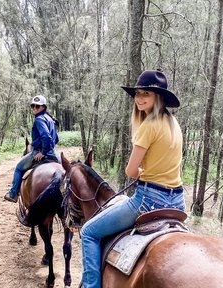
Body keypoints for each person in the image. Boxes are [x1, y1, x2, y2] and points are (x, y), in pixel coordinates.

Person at [79, 69, 186, 288]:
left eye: (146, 93)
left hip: (148, 201)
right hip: (178, 202)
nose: (139, 98)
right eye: (137, 93)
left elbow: (130, 171)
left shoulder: (148, 126)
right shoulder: (174, 124)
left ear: (158, 97)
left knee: (88, 232)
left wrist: (142, 174)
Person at [4, 95, 60, 203]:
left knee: (19, 168)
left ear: (44, 107)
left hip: (40, 152)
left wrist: (43, 152)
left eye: (37, 106)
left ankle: (13, 193)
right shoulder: (51, 120)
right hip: (53, 154)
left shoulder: (39, 119)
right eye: (33, 106)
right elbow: (56, 139)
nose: (34, 108)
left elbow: (46, 137)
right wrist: (49, 148)